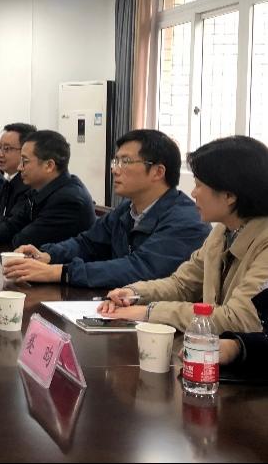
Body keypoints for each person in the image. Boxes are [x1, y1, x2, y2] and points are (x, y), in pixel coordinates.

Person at [98, 136, 268, 333]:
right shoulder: (222, 232)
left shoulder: (263, 243)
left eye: (199, 185)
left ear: (229, 195)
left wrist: (149, 312)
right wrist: (134, 293)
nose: (193, 193)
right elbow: (182, 285)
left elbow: (240, 318)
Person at [6, 129, 210, 287]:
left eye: (125, 162)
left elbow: (140, 268)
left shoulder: (186, 221)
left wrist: (60, 272)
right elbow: (88, 243)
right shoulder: (127, 210)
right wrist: (48, 255)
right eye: (116, 161)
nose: (114, 170)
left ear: (158, 172)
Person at [0, 130, 95, 248]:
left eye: (25, 161)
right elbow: (12, 226)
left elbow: (23, 240)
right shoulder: (38, 190)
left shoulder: (68, 199)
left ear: (49, 165)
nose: (20, 168)